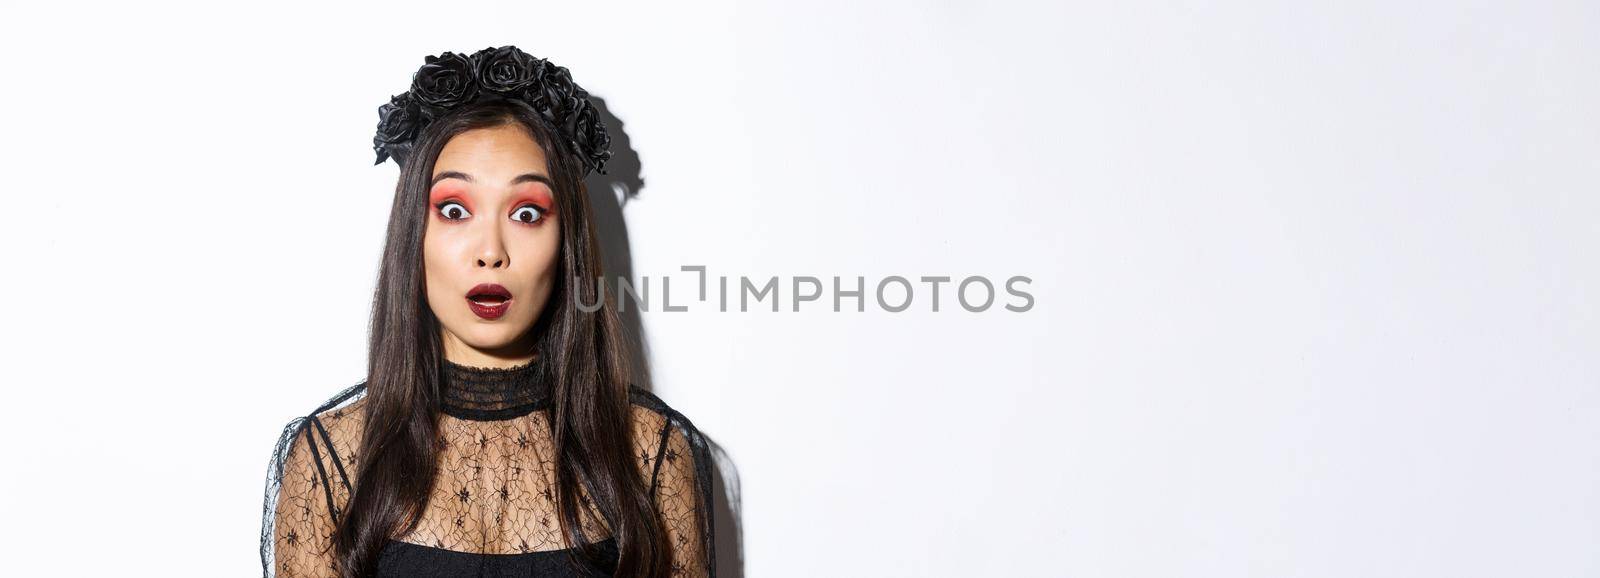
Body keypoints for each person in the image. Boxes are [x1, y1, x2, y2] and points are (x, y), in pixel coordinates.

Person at [259, 46, 715, 578]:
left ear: (565, 240)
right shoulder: (332, 461)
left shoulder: (650, 454)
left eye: (526, 213)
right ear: (414, 235)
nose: (491, 251)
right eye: (455, 211)